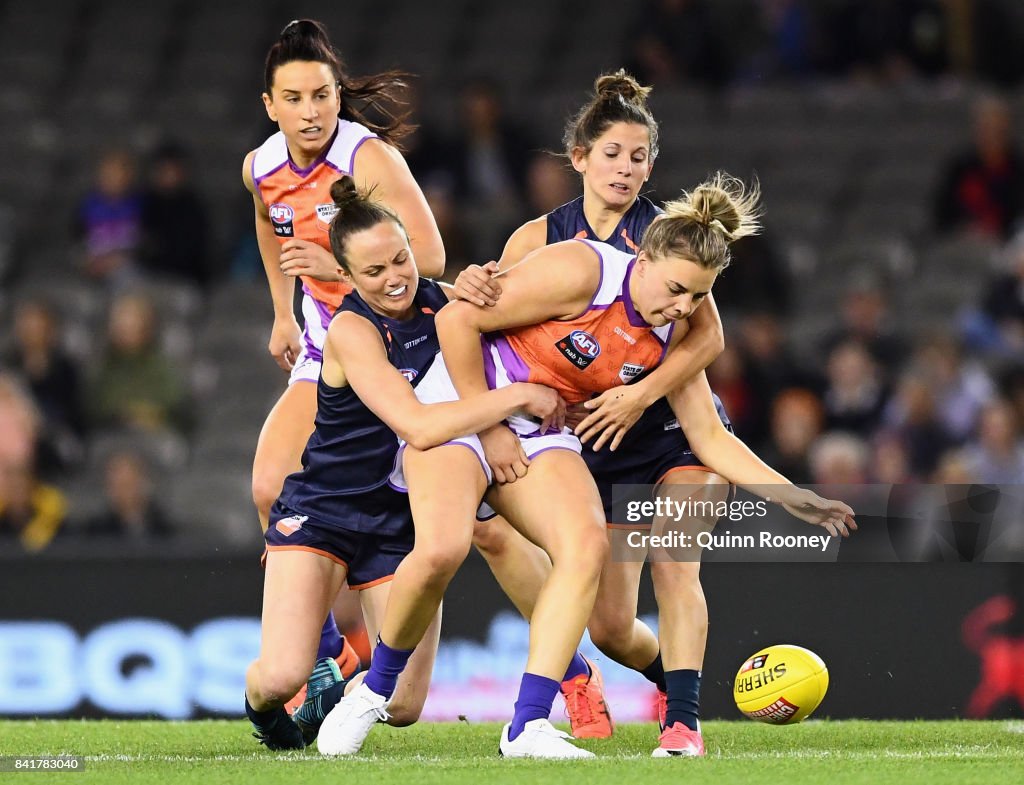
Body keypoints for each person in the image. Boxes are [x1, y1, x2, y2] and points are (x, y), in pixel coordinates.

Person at [318, 172, 855, 760]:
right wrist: (491, 427)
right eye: (677, 289)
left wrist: (791, 496)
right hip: (463, 402)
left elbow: (708, 436)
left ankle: (526, 727)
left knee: (585, 549)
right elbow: (455, 321)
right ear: (642, 259)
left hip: (542, 425)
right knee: (444, 547)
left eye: (699, 297)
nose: (684, 306)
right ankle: (371, 692)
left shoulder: (673, 328)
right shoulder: (584, 270)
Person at [454, 72, 729, 741]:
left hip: (664, 429)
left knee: (674, 556)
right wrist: (461, 283)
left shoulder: (666, 238)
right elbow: (483, 319)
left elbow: (709, 335)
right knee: (605, 621)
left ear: (652, 166)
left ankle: (684, 724)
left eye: (638, 157)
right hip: (587, 443)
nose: (625, 169)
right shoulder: (537, 239)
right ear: (578, 157)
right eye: (612, 154)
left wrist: (639, 394)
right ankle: (604, 674)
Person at [244, 177, 562, 750]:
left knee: (405, 705)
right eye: (374, 272)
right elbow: (415, 426)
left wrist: (480, 282)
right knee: (279, 677)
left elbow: (521, 317)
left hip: (397, 521)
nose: (394, 278)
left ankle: (339, 700)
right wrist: (514, 401)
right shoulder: (350, 330)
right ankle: (264, 709)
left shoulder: (443, 302)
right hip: (326, 510)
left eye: (401, 259)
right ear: (346, 276)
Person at [244, 19, 445, 700]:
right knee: (271, 482)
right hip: (329, 346)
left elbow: (434, 258)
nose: (311, 112)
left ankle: (569, 672)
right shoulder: (262, 167)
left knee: (492, 530)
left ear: (337, 96)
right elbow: (272, 230)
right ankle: (329, 654)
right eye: (294, 98)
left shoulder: (369, 160)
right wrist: (281, 311)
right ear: (269, 104)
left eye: (322, 96)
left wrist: (335, 262)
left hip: (399, 349)